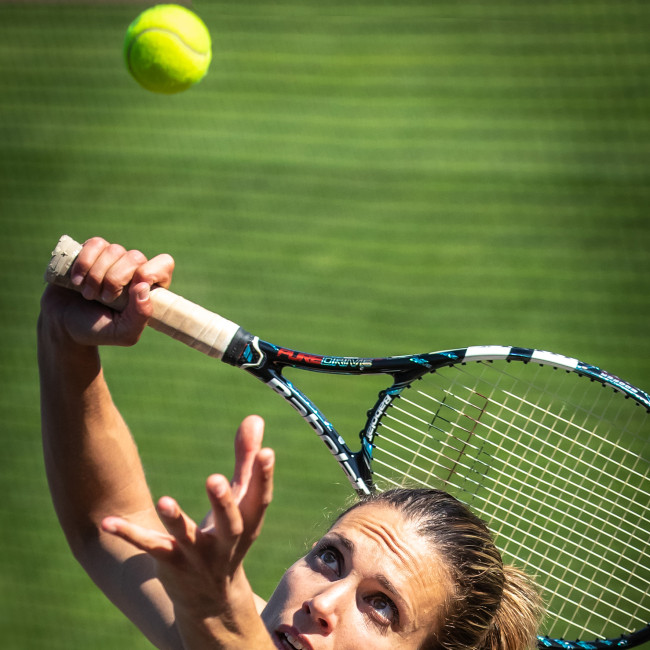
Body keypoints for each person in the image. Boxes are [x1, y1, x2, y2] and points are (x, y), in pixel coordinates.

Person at [39, 237, 543, 650]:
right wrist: (65, 338)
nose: (321, 604)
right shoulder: (248, 628)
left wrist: (216, 609)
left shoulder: (220, 622)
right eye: (330, 558)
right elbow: (106, 522)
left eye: (382, 606)